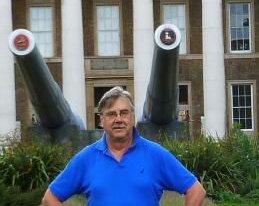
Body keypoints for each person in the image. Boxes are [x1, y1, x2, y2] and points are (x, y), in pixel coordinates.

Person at [42, 86, 206, 206]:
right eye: (111, 114)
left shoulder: (155, 154)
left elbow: (196, 190)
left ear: (132, 117)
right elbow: (50, 198)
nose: (118, 119)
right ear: (101, 120)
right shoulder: (86, 158)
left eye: (124, 113)